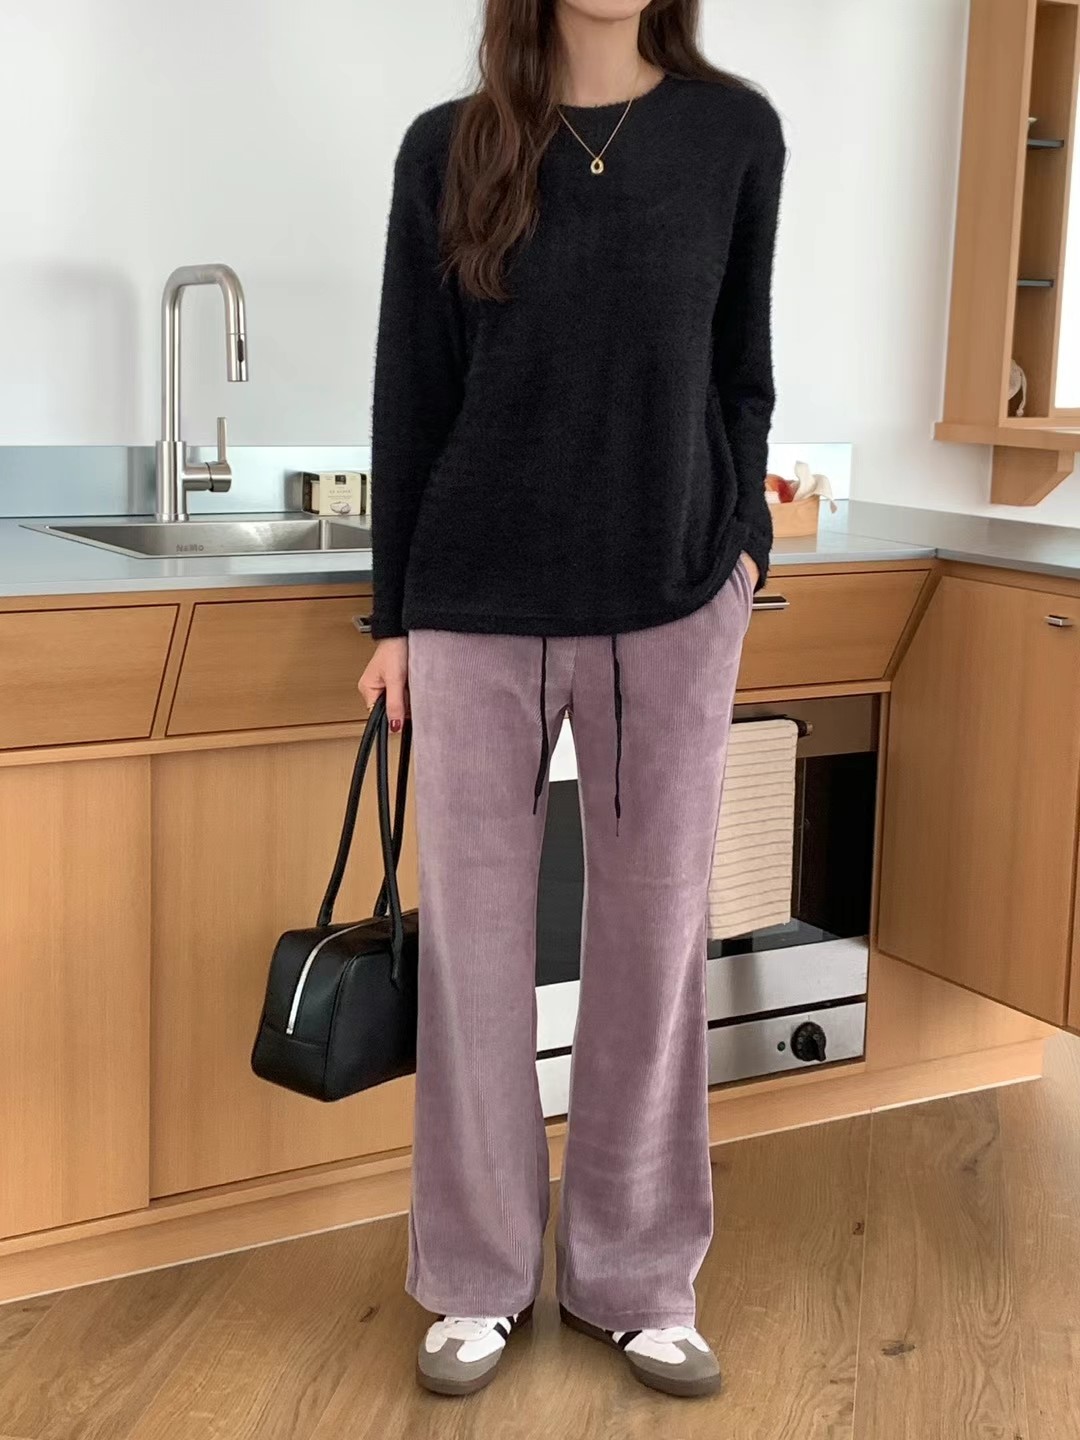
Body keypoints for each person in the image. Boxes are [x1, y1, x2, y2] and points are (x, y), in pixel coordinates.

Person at [359, 0, 785, 1401]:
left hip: (672, 600)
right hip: (475, 610)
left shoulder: (733, 135)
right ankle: (476, 1278)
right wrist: (395, 619)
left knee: (653, 950)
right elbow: (411, 394)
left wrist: (740, 552)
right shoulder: (448, 148)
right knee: (476, 958)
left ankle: (637, 1278)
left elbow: (740, 373)